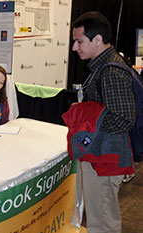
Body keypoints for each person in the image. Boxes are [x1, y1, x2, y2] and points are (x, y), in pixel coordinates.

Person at [70, 12, 136, 233]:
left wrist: (88, 126)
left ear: (97, 39)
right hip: (102, 156)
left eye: (79, 41)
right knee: (101, 215)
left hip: (105, 159)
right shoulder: (104, 66)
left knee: (103, 220)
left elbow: (123, 118)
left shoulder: (111, 72)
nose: (74, 47)